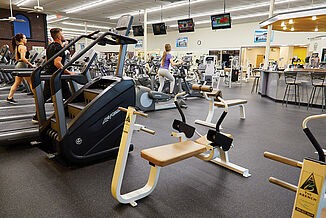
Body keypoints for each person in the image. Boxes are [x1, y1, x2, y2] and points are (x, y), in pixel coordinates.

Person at [32, 28, 75, 123]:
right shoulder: (59, 48)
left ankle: (36, 117)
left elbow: (47, 60)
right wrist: (68, 72)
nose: (63, 36)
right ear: (59, 36)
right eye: (62, 34)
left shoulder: (50, 46)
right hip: (57, 76)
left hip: (50, 74)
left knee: (45, 96)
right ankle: (72, 115)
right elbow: (57, 63)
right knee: (69, 96)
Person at [7, 33, 36, 104]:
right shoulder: (23, 47)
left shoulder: (17, 47)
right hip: (22, 66)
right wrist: (31, 65)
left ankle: (9, 97)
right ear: (21, 39)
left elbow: (18, 58)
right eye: (25, 38)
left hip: (19, 65)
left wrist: (27, 61)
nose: (26, 40)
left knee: (17, 83)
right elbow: (23, 58)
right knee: (30, 82)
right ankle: (38, 97)